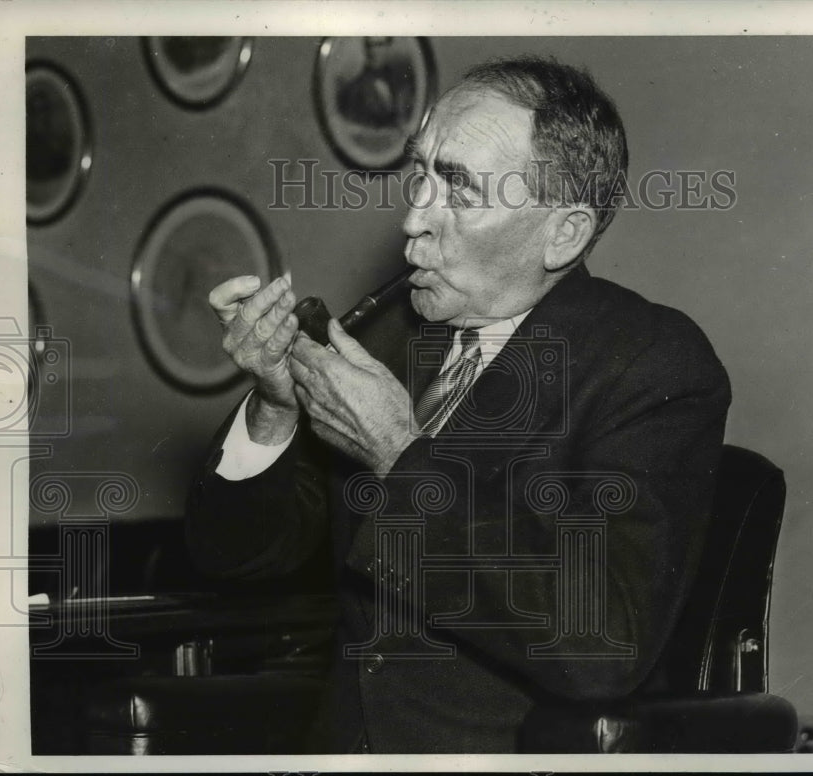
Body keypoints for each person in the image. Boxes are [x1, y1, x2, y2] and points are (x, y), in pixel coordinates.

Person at [187, 56, 731, 753]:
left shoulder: (648, 363)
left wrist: (397, 454)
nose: (414, 218)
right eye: (421, 174)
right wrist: (274, 407)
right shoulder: (388, 338)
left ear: (562, 233)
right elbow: (232, 559)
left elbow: (602, 642)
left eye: (461, 191)